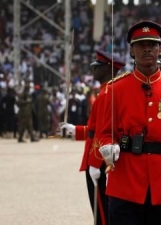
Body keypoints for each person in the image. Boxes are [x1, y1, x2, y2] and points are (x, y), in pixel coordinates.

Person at [97, 20, 161, 225]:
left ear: (160, 50)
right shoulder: (115, 89)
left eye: (152, 44)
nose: (147, 48)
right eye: (141, 45)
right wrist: (107, 147)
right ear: (132, 51)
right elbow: (105, 133)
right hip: (125, 180)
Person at [59, 50, 126, 225]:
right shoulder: (104, 92)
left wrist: (96, 163)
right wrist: (76, 130)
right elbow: (95, 129)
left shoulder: (108, 93)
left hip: (100, 158)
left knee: (102, 213)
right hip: (98, 155)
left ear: (109, 68)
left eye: (98, 67)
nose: (93, 69)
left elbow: (105, 133)